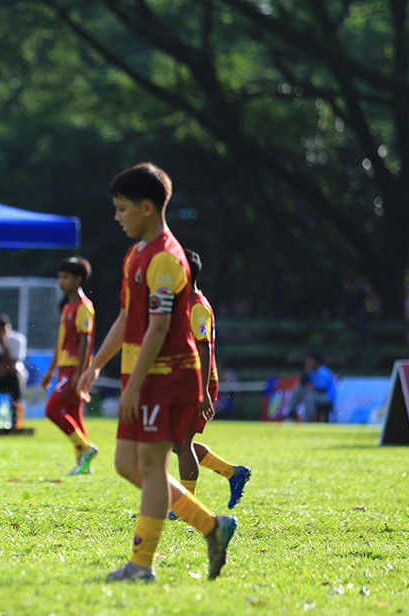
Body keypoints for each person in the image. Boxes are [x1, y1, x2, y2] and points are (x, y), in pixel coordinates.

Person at [77, 163, 236, 581]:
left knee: (149, 468)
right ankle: (212, 526)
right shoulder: (137, 253)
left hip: (165, 378)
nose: (117, 217)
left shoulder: (165, 256)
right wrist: (96, 366)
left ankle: (140, 566)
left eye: (122, 208)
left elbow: (160, 326)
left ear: (147, 208)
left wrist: (134, 388)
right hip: (141, 377)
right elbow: (128, 316)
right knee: (127, 466)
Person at [171, 249, 251, 512]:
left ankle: (186, 504)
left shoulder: (196, 305)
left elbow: (204, 348)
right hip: (186, 382)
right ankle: (232, 473)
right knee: (177, 443)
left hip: (198, 384)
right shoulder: (182, 303)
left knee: (182, 444)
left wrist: (202, 392)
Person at [41, 257, 98, 475]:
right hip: (65, 368)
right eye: (60, 277)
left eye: (65, 277)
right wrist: (50, 370)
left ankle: (85, 448)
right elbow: (61, 341)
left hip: (75, 368)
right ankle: (83, 465)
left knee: (52, 409)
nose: (61, 282)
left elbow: (86, 340)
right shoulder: (68, 307)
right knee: (74, 413)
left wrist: (81, 373)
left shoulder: (84, 307)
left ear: (78, 279)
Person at [287, 352, 337, 422]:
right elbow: (302, 383)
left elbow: (322, 389)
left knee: (310, 398)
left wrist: (310, 392)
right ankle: (290, 415)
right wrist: (306, 370)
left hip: (327, 396)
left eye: (310, 360)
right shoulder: (311, 371)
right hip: (317, 393)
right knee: (298, 390)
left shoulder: (323, 372)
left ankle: (306, 421)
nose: (308, 362)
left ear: (315, 361)